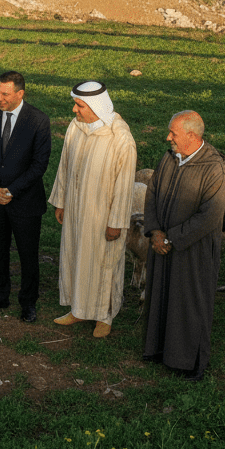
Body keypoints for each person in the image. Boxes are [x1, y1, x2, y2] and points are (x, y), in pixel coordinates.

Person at [142, 110, 225, 383]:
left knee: (190, 302)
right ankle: (158, 349)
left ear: (191, 136)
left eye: (173, 133)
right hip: (162, 242)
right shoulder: (169, 158)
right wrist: (155, 231)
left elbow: (209, 216)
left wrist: (172, 238)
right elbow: (152, 192)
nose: (168, 138)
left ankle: (190, 362)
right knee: (161, 293)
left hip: (193, 251)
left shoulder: (214, 169)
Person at [48, 81, 136, 339]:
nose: (74, 110)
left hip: (103, 218)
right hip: (76, 211)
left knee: (103, 264)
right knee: (77, 257)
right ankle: (79, 309)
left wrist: (116, 222)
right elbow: (64, 165)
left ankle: (103, 316)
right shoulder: (76, 127)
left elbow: (125, 185)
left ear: (97, 106)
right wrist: (61, 201)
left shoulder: (120, 138)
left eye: (80, 105)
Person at [0, 71, 51, 322]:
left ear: (20, 93)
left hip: (25, 203)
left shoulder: (38, 120)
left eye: (5, 94)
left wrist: (11, 190)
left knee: (28, 255)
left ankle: (28, 303)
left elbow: (39, 165)